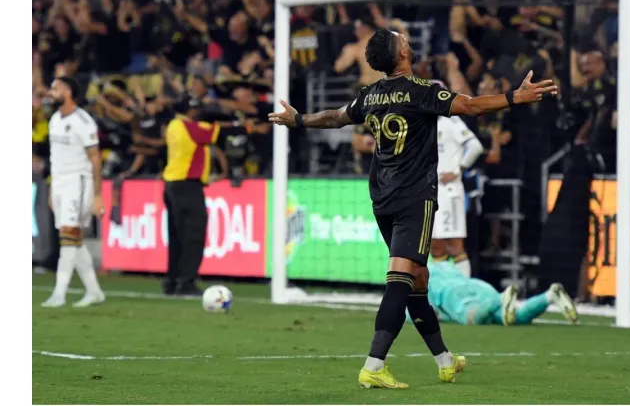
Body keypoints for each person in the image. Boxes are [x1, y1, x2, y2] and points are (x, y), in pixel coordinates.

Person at [269, 28, 557, 389]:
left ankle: (445, 361)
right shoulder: (422, 91)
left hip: (382, 198)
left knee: (419, 280)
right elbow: (469, 105)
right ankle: (374, 365)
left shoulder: (370, 95)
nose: (406, 37)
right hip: (414, 198)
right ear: (402, 52)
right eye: (401, 37)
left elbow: (335, 117)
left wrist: (299, 120)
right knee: (401, 278)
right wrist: (516, 97)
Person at [161, 98, 250, 296]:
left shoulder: (174, 126)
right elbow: (221, 132)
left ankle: (172, 281)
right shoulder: (192, 129)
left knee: (177, 238)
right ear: (190, 111)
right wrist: (246, 127)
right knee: (193, 237)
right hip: (187, 187)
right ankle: (186, 283)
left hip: (171, 186)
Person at [42, 76, 106, 308]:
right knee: (74, 239)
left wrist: (97, 195)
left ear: (68, 92)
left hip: (78, 182)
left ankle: (59, 293)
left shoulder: (83, 121)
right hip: (59, 183)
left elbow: (95, 158)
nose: (50, 92)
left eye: (55, 88)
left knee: (68, 236)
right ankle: (94, 291)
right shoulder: (55, 120)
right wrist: (52, 188)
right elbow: (55, 158)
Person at [406, 260, 578, 326]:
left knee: (472, 317)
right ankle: (550, 295)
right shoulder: (442, 265)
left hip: (451, 293)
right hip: (477, 285)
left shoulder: (417, 280)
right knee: (514, 318)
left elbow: (419, 314)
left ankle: (503, 298)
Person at [429, 80, 485, 277]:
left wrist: (458, 169)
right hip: (430, 191)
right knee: (434, 246)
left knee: (454, 245)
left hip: (449, 191)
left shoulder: (451, 121)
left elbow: (475, 147)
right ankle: (440, 292)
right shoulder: (423, 123)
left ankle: (465, 291)